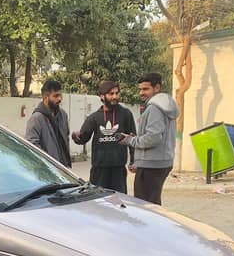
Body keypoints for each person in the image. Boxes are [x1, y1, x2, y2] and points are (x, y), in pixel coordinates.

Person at [119, 72, 179, 205]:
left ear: (157, 88)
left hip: (152, 164)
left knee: (145, 206)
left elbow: (153, 137)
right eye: (140, 89)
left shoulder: (154, 108)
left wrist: (130, 140)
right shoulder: (165, 106)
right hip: (159, 162)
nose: (141, 93)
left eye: (145, 89)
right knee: (153, 203)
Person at [72, 80, 136, 193]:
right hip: (99, 170)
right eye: (111, 94)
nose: (115, 96)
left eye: (117, 93)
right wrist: (75, 137)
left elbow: (133, 138)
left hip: (118, 170)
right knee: (98, 204)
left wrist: (133, 161)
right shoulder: (94, 117)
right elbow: (83, 138)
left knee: (118, 203)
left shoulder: (126, 114)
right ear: (102, 96)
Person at [25, 79, 71, 167]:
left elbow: (66, 138)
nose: (60, 99)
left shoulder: (63, 115)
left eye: (60, 95)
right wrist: (46, 165)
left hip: (64, 168)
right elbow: (32, 146)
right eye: (56, 96)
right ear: (46, 97)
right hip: (47, 171)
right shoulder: (36, 119)